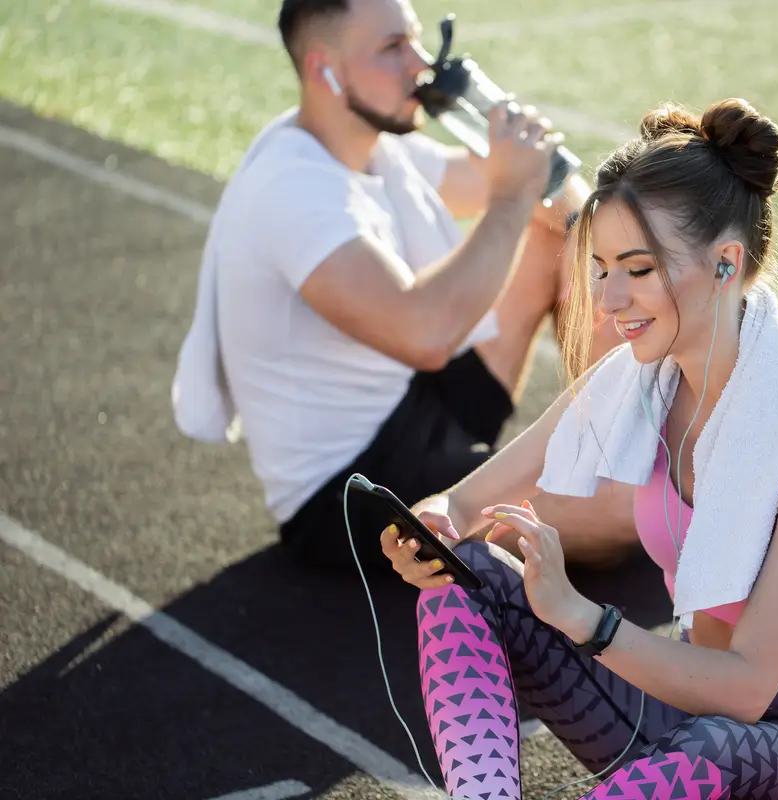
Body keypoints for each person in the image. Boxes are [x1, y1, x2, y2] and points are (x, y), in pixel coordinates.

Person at [381, 97, 778, 800]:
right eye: (600, 268)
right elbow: (463, 504)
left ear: (726, 263)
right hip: (687, 725)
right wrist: (433, 526)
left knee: (716, 749)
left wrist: (578, 614)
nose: (608, 300)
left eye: (637, 270)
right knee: (468, 577)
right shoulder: (636, 382)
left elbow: (745, 692)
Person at [170, 0, 628, 574]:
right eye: (392, 48)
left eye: (415, 40)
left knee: (556, 236)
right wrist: (515, 191)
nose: (420, 64)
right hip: (351, 489)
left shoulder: (377, 142)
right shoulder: (290, 190)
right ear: (322, 68)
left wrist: (555, 191)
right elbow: (426, 335)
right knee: (626, 509)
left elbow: (543, 196)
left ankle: (625, 434)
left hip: (421, 405)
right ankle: (622, 482)